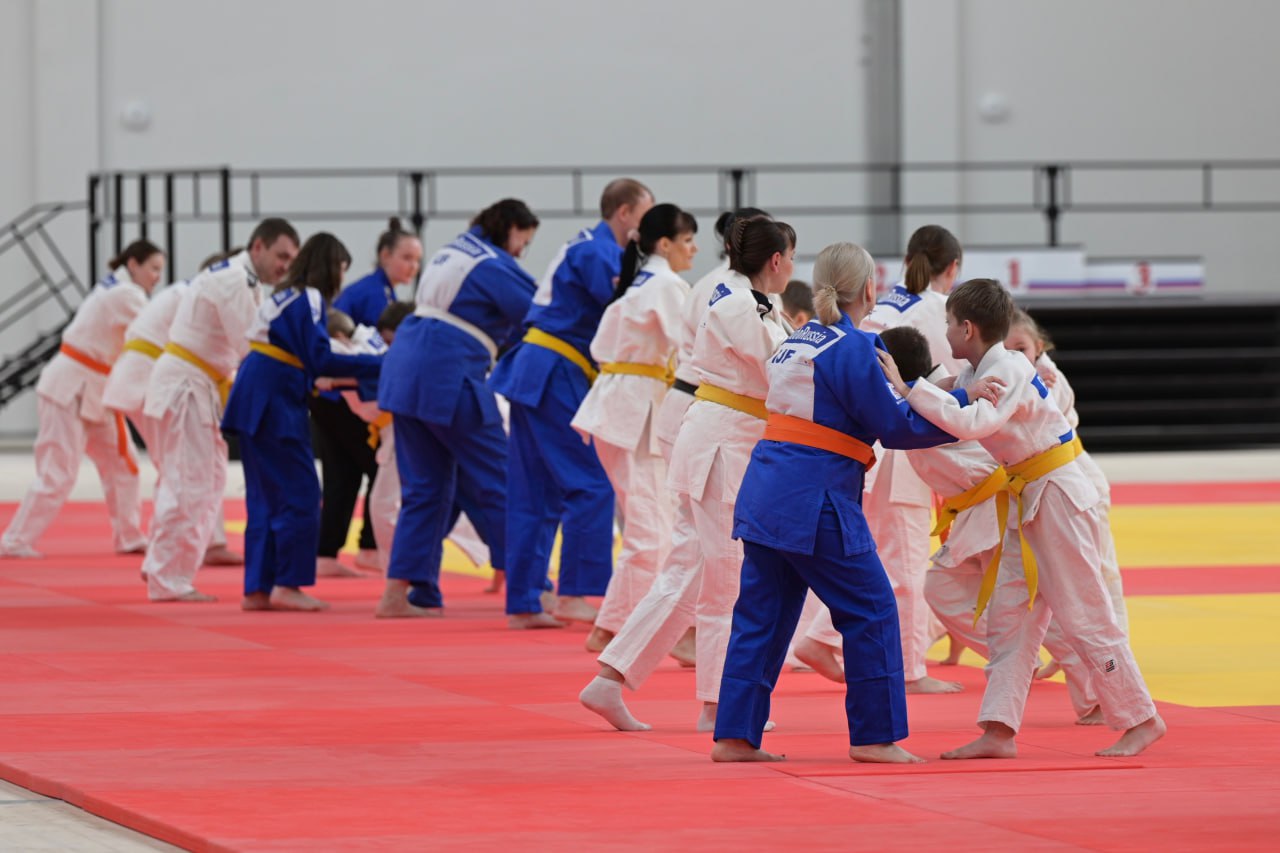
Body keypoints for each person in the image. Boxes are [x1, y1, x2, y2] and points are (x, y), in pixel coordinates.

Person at [881, 277, 1166, 758]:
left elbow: (973, 423)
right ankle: (999, 729)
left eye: (949, 324)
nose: (945, 333)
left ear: (967, 329)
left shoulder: (1008, 368)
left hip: (1058, 493)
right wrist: (910, 388)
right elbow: (950, 395)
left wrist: (910, 390)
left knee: (1083, 608)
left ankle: (1142, 717)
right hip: (1028, 496)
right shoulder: (979, 369)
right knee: (1010, 615)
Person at [711, 242, 962, 764]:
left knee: (762, 615)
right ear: (869, 288)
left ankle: (735, 734)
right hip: (816, 496)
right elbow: (893, 427)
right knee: (872, 608)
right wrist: (959, 407)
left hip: (766, 489)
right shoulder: (854, 347)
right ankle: (874, 736)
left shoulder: (794, 342)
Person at [580, 215, 793, 733]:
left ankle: (610, 679)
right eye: (791, 257)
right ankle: (720, 705)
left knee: (688, 571)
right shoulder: (738, 303)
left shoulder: (747, 298)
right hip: (723, 445)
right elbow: (783, 372)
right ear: (776, 260)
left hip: (718, 437)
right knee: (727, 577)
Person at [490, 179, 654, 628]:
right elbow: (625, 313)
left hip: (537, 367)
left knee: (534, 489)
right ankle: (573, 594)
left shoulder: (585, 244)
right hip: (556, 369)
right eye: (646, 214)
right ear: (624, 213)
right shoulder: (599, 252)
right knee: (590, 483)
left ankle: (525, 601)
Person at [376, 199, 540, 617]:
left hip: (406, 369)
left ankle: (400, 594)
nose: (522, 250)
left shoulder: (453, 250)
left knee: (424, 489)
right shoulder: (492, 263)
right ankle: (531, 593)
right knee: (503, 481)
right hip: (448, 371)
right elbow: (540, 313)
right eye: (523, 240)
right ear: (511, 229)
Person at [139, 218, 299, 602]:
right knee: (189, 481)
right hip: (187, 384)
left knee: (206, 479)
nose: (285, 266)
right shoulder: (233, 280)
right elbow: (250, 346)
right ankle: (166, 577)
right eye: (281, 256)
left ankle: (163, 566)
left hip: (198, 383)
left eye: (291, 260)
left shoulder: (242, 279)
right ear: (258, 246)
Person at [222, 233, 382, 612]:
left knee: (265, 497)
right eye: (341, 269)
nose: (342, 278)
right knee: (301, 493)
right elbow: (320, 359)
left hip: (257, 390)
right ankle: (288, 583)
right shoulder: (309, 297)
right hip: (274, 397)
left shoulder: (283, 295)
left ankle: (258, 588)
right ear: (330, 267)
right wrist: (378, 364)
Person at [571, 203, 697, 652]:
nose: (693, 249)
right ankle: (632, 631)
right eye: (687, 241)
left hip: (621, 404)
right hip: (633, 411)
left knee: (651, 526)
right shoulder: (666, 285)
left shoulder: (642, 281)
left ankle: (617, 627)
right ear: (664, 244)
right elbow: (691, 347)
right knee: (651, 531)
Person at [856, 223, 968, 694]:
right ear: (953, 268)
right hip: (903, 440)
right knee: (904, 562)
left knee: (877, 554)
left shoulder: (883, 304)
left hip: (867, 440)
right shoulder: (940, 311)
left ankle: (819, 637)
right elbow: (955, 380)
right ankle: (908, 669)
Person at [1, 240, 164, 558]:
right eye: (153, 268)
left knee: (123, 464)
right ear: (133, 265)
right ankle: (14, 540)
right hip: (69, 387)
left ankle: (129, 536)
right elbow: (154, 332)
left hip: (97, 390)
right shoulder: (125, 295)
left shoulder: (116, 287)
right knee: (58, 471)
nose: (157, 276)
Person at [1005, 309, 1129, 723]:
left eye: (1022, 348)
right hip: (1046, 488)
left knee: (1098, 583)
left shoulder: (1048, 380)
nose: (1015, 356)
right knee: (1061, 591)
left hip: (1075, 484)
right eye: (1007, 349)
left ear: (1039, 347)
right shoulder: (1017, 376)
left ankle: (1113, 685)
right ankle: (1096, 685)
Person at [101, 251, 243, 568]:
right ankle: (203, 544)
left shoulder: (184, 291)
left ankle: (189, 542)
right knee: (187, 465)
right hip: (151, 378)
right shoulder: (195, 297)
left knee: (180, 465)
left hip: (143, 375)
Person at [314, 219, 424, 575]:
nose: (412, 266)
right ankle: (369, 546)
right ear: (384, 255)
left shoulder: (382, 292)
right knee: (381, 466)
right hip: (342, 394)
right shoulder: (373, 294)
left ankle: (330, 553)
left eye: (417, 260)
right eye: (406, 257)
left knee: (345, 474)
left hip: (337, 394)